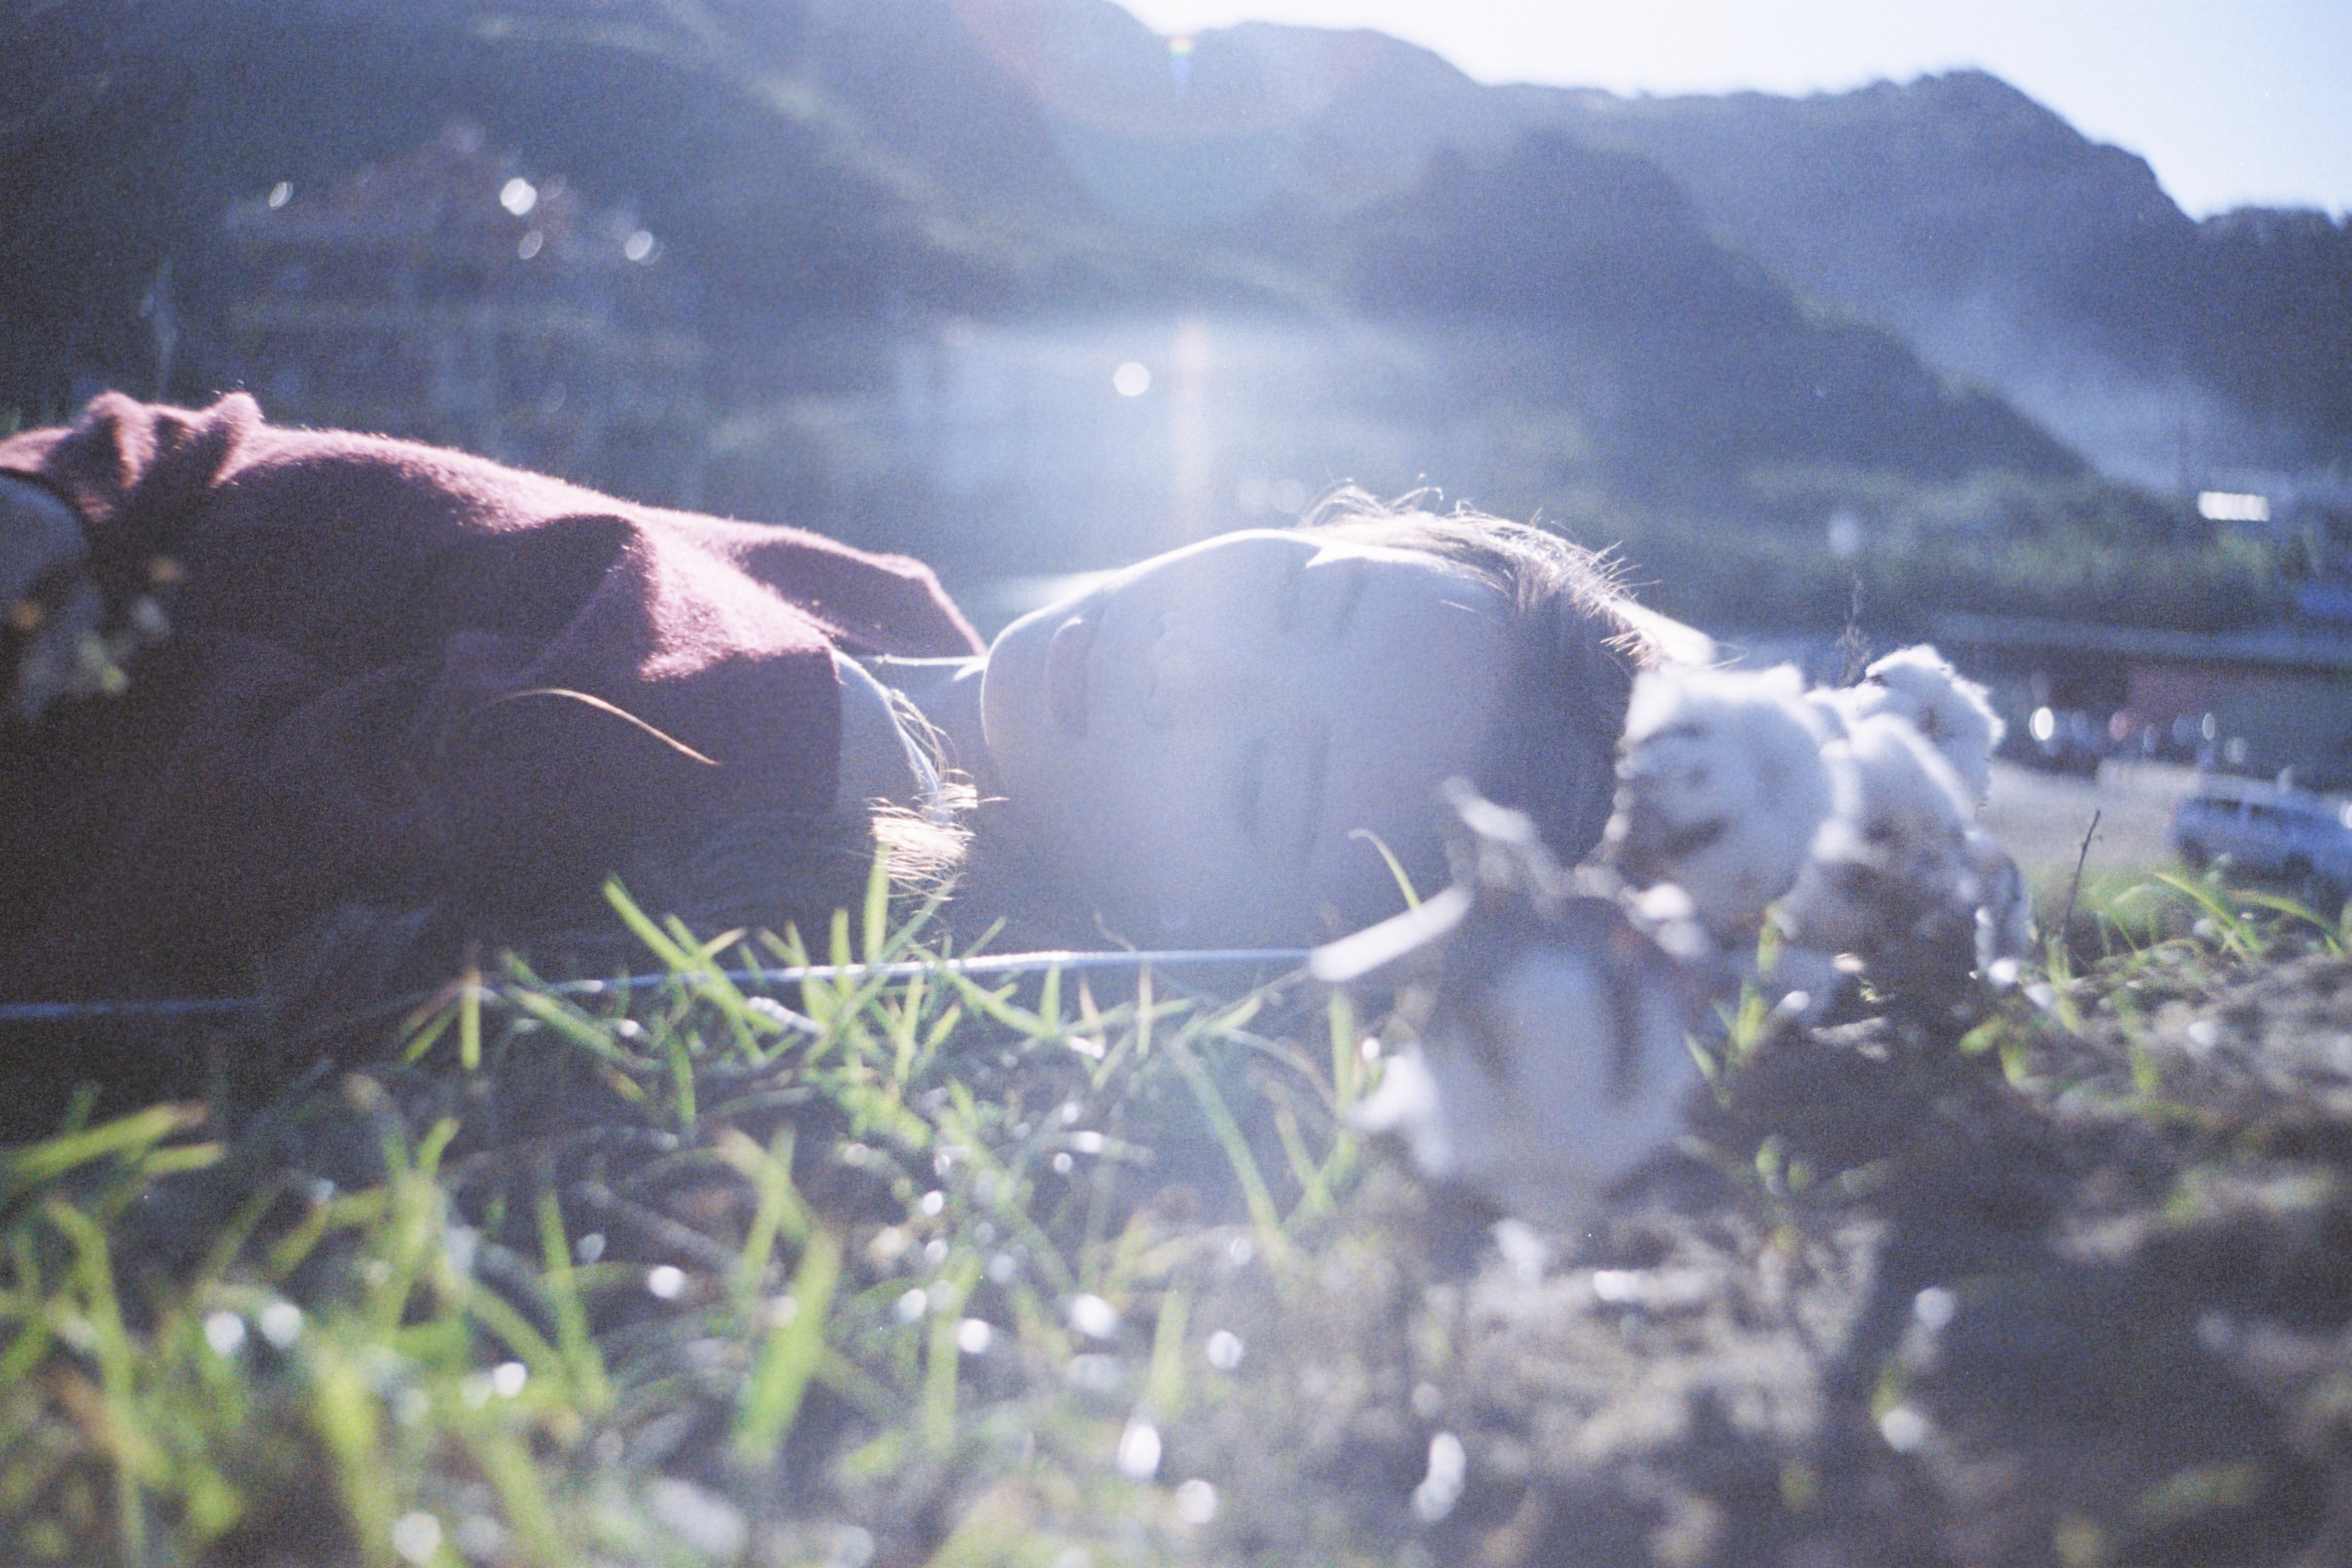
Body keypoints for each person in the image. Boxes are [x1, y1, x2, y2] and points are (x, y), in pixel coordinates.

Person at [0, 391, 1662, 1006]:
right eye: (1301, 595)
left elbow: (125, 845)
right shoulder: (891, 611)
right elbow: (297, 495)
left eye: (1258, 785)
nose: (1183, 662)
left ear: (1217, 940)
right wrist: (82, 494)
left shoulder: (777, 777)